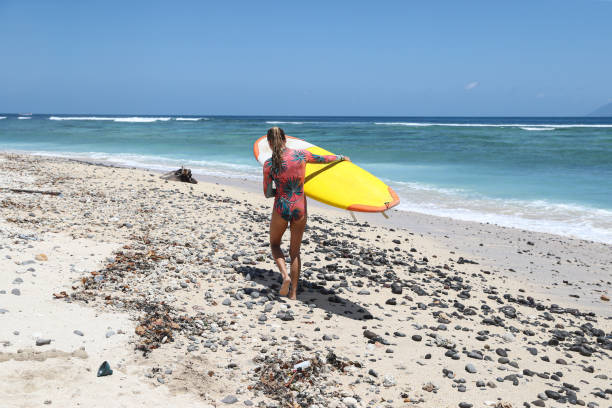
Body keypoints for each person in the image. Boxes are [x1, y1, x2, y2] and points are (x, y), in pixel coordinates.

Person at [262, 127, 350, 299]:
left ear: (269, 143)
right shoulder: (301, 155)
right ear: (285, 140)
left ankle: (285, 276)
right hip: (299, 207)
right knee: (295, 252)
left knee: (274, 244)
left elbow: (266, 193)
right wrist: (341, 158)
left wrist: (279, 191)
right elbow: (324, 159)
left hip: (281, 207)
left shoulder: (269, 164)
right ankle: (293, 294)